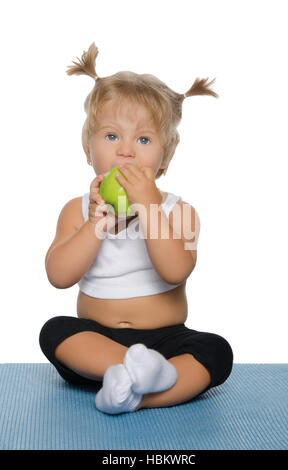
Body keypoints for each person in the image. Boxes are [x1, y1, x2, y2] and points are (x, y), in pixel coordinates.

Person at [39, 42, 233, 414]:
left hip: (168, 339)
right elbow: (58, 276)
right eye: (112, 136)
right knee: (55, 331)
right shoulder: (77, 211)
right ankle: (130, 373)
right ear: (87, 148)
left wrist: (149, 207)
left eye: (143, 139)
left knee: (215, 351)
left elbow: (175, 271)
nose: (126, 151)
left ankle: (139, 392)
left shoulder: (179, 212)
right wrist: (95, 225)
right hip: (98, 340)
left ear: (165, 158)